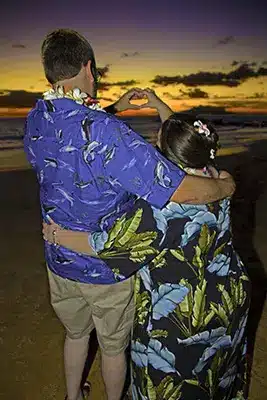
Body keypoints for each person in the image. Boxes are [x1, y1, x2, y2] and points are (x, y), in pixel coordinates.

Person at [24, 28, 235, 400]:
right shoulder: (110, 134)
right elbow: (178, 188)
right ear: (89, 67)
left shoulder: (38, 117)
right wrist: (225, 187)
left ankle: (73, 396)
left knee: (75, 335)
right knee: (112, 348)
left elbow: (75, 127)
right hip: (106, 268)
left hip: (58, 261)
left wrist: (116, 107)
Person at [44, 110, 250, 399]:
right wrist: (158, 106)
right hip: (228, 295)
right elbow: (186, 139)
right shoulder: (217, 177)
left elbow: (109, 246)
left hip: (182, 313)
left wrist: (58, 235)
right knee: (215, 377)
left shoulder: (160, 210)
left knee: (171, 384)